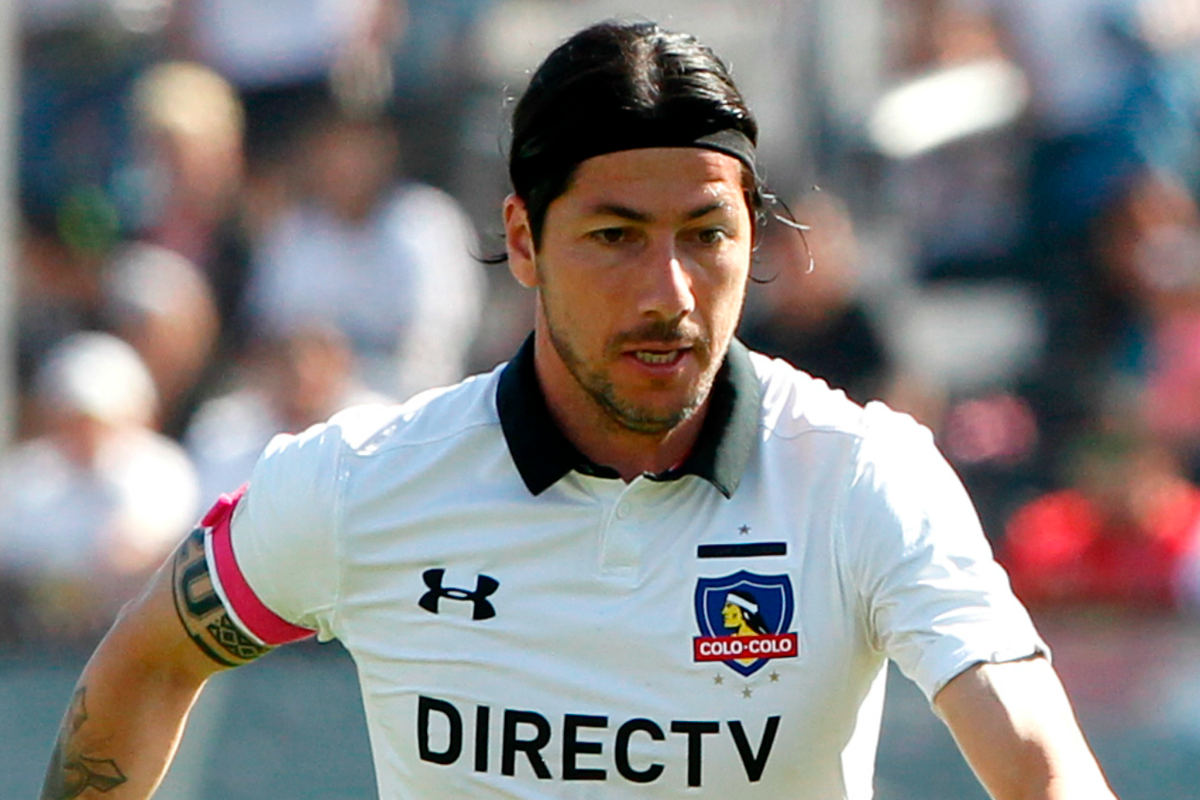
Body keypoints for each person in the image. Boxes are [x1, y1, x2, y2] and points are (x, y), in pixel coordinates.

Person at [41, 21, 1117, 800]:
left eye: (707, 233)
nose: (670, 291)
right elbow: (147, 661)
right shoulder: (361, 481)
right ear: (522, 240)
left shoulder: (863, 476)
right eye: (614, 236)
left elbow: (1040, 766)